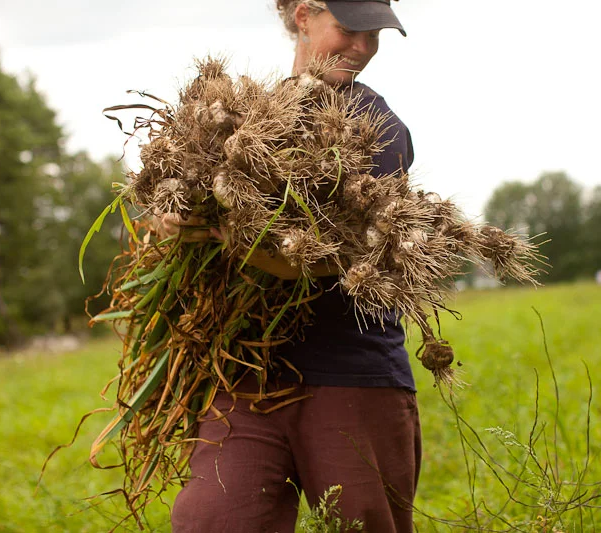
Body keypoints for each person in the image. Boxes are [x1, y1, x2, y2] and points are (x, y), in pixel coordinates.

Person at [169, 2, 419, 531]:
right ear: (304, 15)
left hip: (350, 372)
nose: (363, 47)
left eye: (375, 35)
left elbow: (329, 258)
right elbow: (182, 199)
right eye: (350, 29)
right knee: (212, 520)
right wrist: (171, 218)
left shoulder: (378, 130)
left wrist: (230, 237)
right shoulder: (243, 115)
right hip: (245, 369)